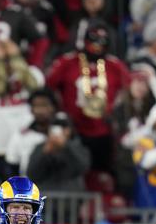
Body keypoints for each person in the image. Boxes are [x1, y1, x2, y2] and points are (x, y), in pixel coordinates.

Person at [45, 22, 131, 175]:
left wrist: (115, 110)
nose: (96, 48)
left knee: (103, 172)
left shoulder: (115, 65)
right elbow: (48, 86)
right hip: (74, 130)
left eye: (101, 44)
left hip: (104, 130)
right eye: (93, 43)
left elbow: (130, 90)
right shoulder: (68, 62)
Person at [0, 38, 43, 177]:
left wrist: (16, 60)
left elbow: (35, 87)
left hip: (27, 141)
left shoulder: (32, 71)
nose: (3, 55)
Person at [26, 112, 91, 193]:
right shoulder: (40, 147)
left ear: (69, 130)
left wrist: (66, 146)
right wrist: (44, 153)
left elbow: (83, 167)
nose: (59, 131)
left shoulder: (77, 146)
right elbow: (31, 174)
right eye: (55, 127)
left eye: (64, 127)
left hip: (71, 201)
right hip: (46, 200)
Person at [4, 89, 57, 175]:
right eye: (36, 106)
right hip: (30, 186)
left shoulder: (65, 132)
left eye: (44, 105)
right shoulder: (20, 136)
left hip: (60, 186)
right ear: (31, 109)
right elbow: (12, 166)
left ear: (53, 107)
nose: (40, 110)